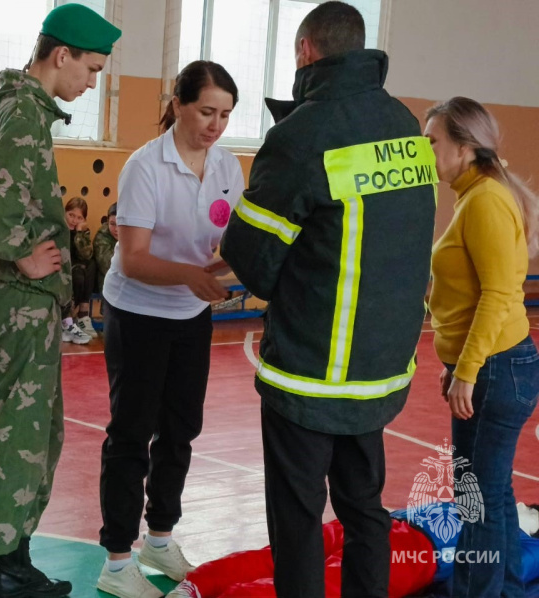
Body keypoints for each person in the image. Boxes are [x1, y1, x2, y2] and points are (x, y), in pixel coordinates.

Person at [220, 3, 437, 597]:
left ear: (305, 52)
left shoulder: (302, 134)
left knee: (298, 519)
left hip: (312, 375)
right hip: (380, 373)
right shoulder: (406, 127)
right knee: (365, 507)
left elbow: (254, 260)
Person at [0, 4, 121, 598]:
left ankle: (10, 559)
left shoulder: (18, 110)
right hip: (19, 295)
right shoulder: (24, 113)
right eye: (92, 68)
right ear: (61, 56)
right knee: (17, 437)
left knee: (39, 434)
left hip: (24, 299)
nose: (92, 80)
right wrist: (22, 253)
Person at [96, 60, 244, 598]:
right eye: (206, 110)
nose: (215, 124)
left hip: (190, 314)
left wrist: (243, 267)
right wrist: (189, 276)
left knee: (181, 428)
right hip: (137, 312)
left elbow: (228, 246)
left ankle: (160, 538)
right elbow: (133, 259)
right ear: (178, 104)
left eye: (225, 114)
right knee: (131, 432)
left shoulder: (229, 167)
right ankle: (116, 561)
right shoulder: (145, 167)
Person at [425, 96, 539, 597]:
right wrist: (458, 366)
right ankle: (510, 589)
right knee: (490, 492)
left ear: (465, 148)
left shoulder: (486, 200)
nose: (425, 151)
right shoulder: (474, 195)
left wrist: (468, 369)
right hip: (491, 366)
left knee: (478, 498)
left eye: (432, 141)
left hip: (497, 368)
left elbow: (498, 294)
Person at [166, 503, 539, 598]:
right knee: (326, 589)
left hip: (376, 522)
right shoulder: (520, 541)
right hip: (414, 555)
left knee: (284, 557)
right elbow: (488, 581)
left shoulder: (486, 501)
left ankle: (195, 586)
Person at [61, 196, 97, 343]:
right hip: (63, 267)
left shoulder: (82, 231)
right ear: (65, 213)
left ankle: (83, 315)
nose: (74, 220)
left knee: (92, 265)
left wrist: (80, 234)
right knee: (77, 275)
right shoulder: (59, 229)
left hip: (77, 267)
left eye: (79, 217)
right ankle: (68, 322)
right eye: (71, 215)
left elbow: (86, 255)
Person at [93, 202, 118, 291]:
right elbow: (108, 266)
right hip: (107, 283)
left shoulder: (133, 234)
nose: (116, 229)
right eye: (112, 224)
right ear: (107, 222)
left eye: (120, 224)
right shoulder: (102, 236)